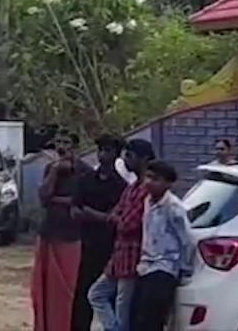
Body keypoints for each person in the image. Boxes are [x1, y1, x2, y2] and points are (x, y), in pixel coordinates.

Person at [87, 137, 155, 331]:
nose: (125, 160)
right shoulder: (132, 187)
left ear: (143, 159)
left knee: (122, 309)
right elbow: (116, 214)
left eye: (129, 155)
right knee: (97, 294)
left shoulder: (145, 190)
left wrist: (116, 218)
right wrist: (116, 217)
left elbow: (127, 224)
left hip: (134, 257)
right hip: (119, 255)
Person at [30, 131, 91, 331]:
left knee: (64, 291)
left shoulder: (84, 171)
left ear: (75, 147)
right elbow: (44, 196)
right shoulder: (51, 168)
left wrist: (56, 200)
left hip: (70, 236)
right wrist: (55, 172)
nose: (62, 146)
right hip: (48, 232)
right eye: (58, 142)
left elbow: (78, 202)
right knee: (42, 289)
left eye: (66, 142)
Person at [70, 136, 127, 331]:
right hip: (86, 245)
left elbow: (115, 217)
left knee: (106, 297)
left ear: (116, 155)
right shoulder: (85, 180)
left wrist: (91, 213)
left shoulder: (121, 186)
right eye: (101, 150)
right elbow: (75, 212)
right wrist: (100, 216)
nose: (103, 155)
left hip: (109, 248)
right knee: (81, 295)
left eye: (108, 150)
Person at [131, 160, 194, 331]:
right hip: (146, 266)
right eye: (148, 177)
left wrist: (184, 269)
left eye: (156, 179)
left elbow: (187, 240)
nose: (149, 182)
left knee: (151, 320)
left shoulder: (173, 207)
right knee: (138, 319)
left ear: (167, 184)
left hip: (164, 268)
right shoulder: (148, 201)